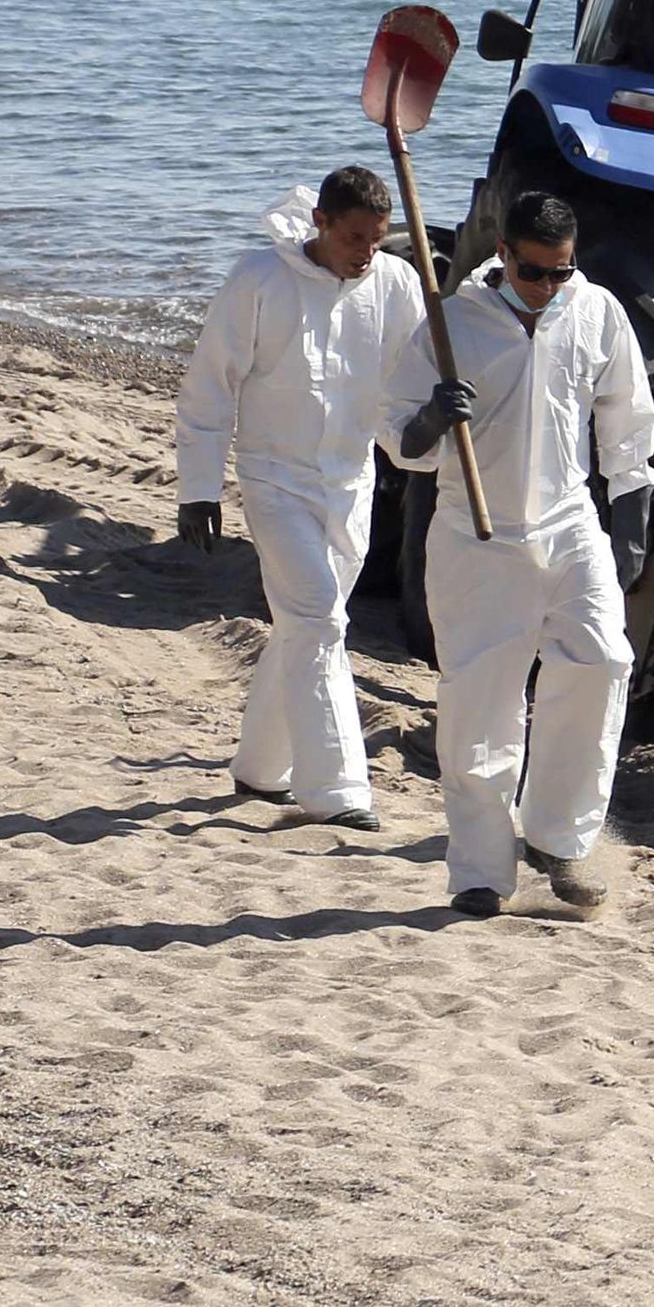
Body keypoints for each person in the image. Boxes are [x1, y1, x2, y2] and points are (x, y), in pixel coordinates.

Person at [386, 192, 654, 918]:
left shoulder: (594, 310)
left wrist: (630, 514)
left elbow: (627, 413)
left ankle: (558, 837)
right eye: (535, 272)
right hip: (479, 534)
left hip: (570, 521)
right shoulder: (452, 322)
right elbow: (397, 437)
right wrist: (433, 416)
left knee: (603, 660)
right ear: (503, 253)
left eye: (561, 273)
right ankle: (479, 869)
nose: (548, 287)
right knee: (482, 700)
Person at [174, 169, 427, 828]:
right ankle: (338, 789)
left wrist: (433, 421)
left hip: (351, 484)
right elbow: (210, 385)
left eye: (378, 238)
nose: (366, 252)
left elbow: (408, 387)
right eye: (354, 237)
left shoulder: (395, 285)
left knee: (303, 627)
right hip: (272, 478)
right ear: (320, 221)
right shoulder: (259, 279)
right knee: (318, 619)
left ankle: (261, 768)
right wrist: (199, 488)